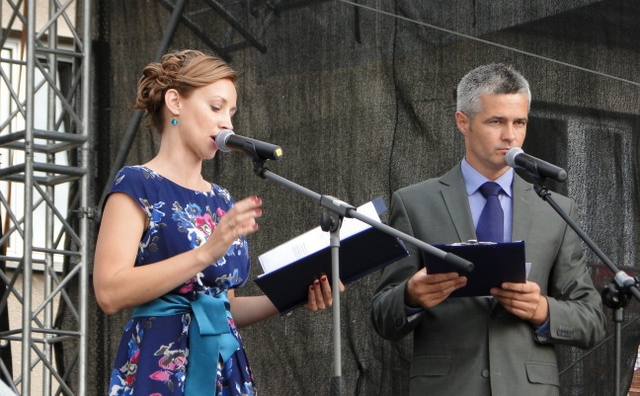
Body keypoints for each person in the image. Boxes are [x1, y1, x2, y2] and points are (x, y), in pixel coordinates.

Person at [93, 49, 339, 396]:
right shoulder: (136, 184)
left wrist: (294, 293)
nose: (228, 124)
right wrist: (205, 253)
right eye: (216, 107)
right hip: (159, 366)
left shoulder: (221, 199)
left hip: (224, 370)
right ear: (175, 102)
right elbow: (109, 292)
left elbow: (225, 307)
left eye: (231, 113)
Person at [370, 63, 606, 396]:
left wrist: (542, 310)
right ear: (462, 122)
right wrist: (410, 296)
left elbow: (592, 320)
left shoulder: (555, 209)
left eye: (519, 122)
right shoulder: (414, 203)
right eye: (496, 121)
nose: (510, 135)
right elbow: (382, 315)